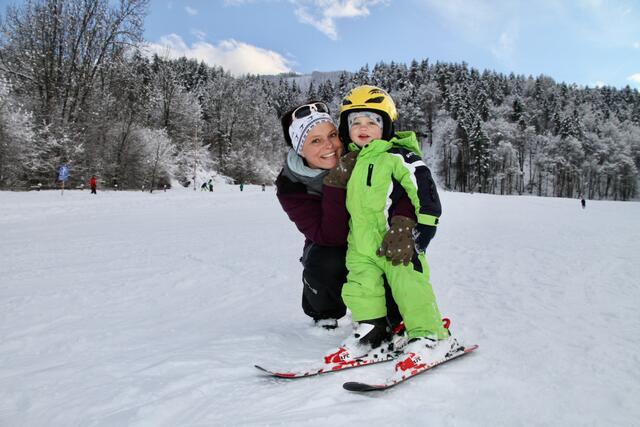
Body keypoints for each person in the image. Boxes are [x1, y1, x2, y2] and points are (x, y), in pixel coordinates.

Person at [329, 85, 460, 364]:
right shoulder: (349, 161)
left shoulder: (398, 155)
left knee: (409, 285)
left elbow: (422, 187)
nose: (363, 128)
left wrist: (424, 225)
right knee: (361, 286)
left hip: (396, 239)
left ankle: (429, 335)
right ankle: (372, 331)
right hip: (360, 243)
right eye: (355, 122)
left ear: (386, 125)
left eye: (372, 121)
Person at [276, 101, 411, 331]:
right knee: (325, 260)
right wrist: (336, 182)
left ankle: (390, 314)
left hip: (373, 237)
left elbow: (403, 188)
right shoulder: (291, 185)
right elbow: (330, 236)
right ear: (300, 150)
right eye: (315, 141)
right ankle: (324, 311)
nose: (329, 146)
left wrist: (403, 224)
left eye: (332, 135)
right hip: (330, 245)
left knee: (390, 256)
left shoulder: (359, 152)